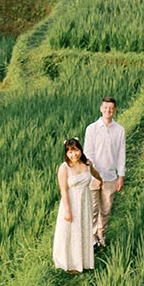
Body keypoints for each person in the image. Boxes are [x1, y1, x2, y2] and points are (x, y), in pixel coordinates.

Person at [52, 138, 100, 273]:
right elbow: (64, 190)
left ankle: (83, 261)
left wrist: (99, 180)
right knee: (70, 231)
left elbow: (95, 173)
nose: (74, 155)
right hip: (71, 203)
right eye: (70, 152)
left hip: (85, 202)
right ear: (66, 154)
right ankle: (69, 263)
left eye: (76, 151)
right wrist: (68, 211)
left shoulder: (87, 163)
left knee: (83, 229)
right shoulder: (64, 168)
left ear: (81, 150)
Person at [83, 96, 125, 248]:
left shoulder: (119, 130)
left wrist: (121, 176)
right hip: (93, 175)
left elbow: (121, 153)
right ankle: (92, 237)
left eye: (111, 108)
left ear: (114, 110)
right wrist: (95, 174)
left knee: (106, 209)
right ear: (101, 108)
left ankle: (101, 234)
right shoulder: (92, 129)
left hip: (110, 176)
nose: (108, 110)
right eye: (105, 107)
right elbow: (88, 154)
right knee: (93, 208)